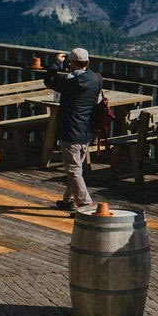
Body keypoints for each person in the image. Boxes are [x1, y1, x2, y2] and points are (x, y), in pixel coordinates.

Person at [42, 47, 103, 215]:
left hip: (71, 129)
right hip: (87, 129)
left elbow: (49, 81)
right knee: (77, 167)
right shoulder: (97, 78)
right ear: (88, 63)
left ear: (71, 63)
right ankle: (69, 200)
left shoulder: (70, 82)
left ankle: (85, 205)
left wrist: (56, 63)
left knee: (73, 170)